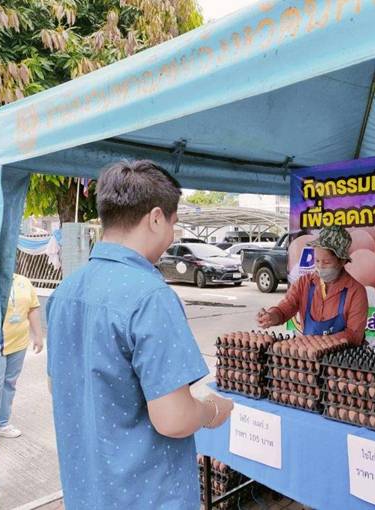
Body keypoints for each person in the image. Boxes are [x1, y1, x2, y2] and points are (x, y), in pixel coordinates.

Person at [46, 160, 233, 509]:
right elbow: (173, 418)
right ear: (157, 217)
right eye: (174, 225)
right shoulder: (150, 296)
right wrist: (211, 410)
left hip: (85, 491)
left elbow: (58, 386)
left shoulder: (65, 291)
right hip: (146, 496)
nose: (172, 235)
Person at [256, 226, 368, 344]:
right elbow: (285, 309)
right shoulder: (304, 283)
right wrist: (272, 316)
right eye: (317, 261)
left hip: (342, 359)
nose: (320, 266)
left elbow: (354, 334)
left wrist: (320, 342)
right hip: (309, 358)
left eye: (326, 262)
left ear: (342, 261)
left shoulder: (355, 291)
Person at [0, 273, 44, 457]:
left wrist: (37, 335)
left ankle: (1, 424)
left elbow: (33, 308)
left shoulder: (23, 281)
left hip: (18, 345)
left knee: (9, 385)